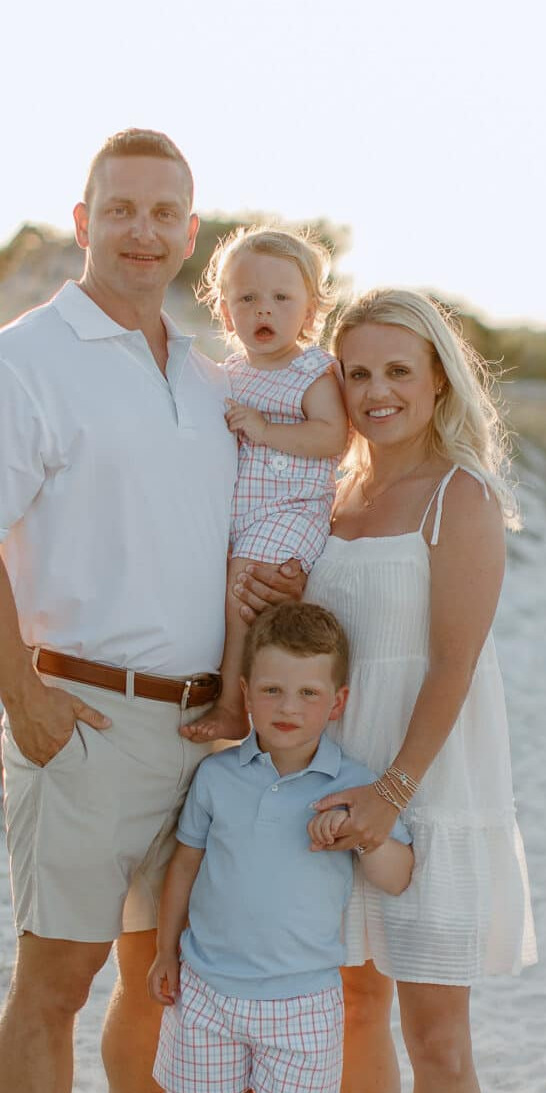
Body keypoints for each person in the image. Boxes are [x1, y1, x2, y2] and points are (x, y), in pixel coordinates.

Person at [0, 129, 304, 1093]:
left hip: (200, 730)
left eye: (167, 212)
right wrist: (24, 701)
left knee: (159, 976)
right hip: (80, 718)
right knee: (58, 980)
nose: (145, 230)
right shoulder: (18, 364)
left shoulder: (200, 370)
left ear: (191, 235)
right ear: (83, 221)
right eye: (123, 208)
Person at [301, 289, 538, 1093]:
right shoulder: (331, 495)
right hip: (331, 787)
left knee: (437, 1033)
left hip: (427, 789)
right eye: (359, 372)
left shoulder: (462, 498)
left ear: (439, 375)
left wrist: (392, 793)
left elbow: (450, 665)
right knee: (352, 1008)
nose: (379, 391)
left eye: (400, 370)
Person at [147, 602, 413, 1093]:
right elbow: (183, 865)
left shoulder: (354, 785)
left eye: (307, 692)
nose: (286, 706)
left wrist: (363, 830)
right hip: (208, 982)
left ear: (337, 701)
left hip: (301, 996)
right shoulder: (217, 777)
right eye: (270, 689)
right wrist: (165, 949)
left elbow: (397, 876)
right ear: (245, 692)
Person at [180, 227, 349, 744]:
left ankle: (233, 706)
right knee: (231, 602)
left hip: (291, 511)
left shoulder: (312, 370)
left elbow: (332, 437)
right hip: (244, 517)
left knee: (241, 596)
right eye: (247, 299)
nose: (264, 312)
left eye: (281, 298)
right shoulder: (228, 374)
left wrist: (265, 430)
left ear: (310, 311)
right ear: (227, 313)